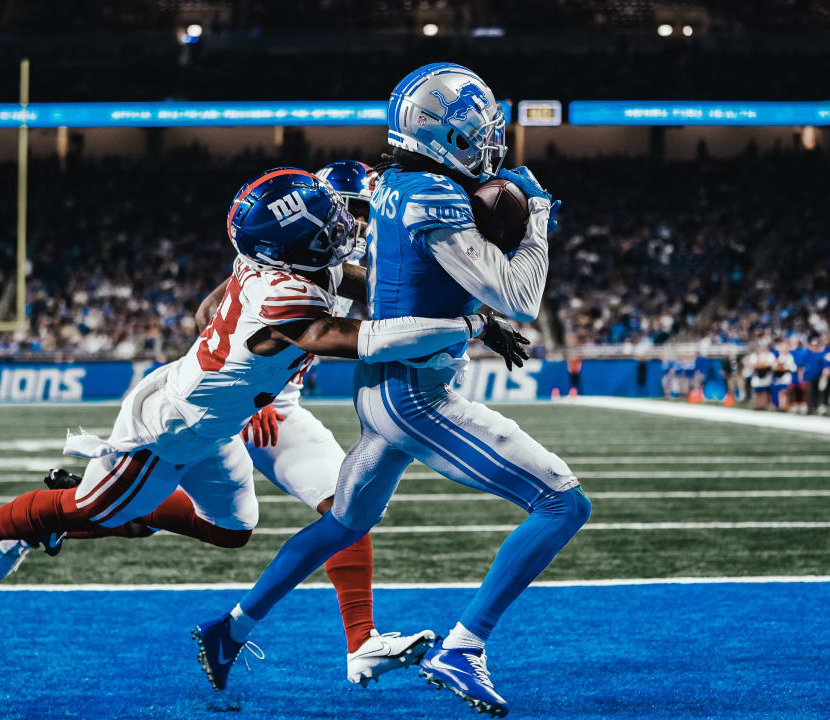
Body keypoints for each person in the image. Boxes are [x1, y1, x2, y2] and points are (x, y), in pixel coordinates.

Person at [0, 166, 528, 685]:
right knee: (89, 510)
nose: (351, 230)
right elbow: (366, 338)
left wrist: (252, 379)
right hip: (172, 431)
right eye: (340, 221)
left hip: (243, 411)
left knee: (268, 522)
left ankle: (360, 641)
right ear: (296, 239)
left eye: (350, 217)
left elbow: (237, 306)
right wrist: (474, 325)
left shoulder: (290, 257)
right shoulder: (284, 291)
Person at [194, 63, 588, 718]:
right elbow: (521, 295)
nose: (489, 139)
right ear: (445, 134)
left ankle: (231, 628)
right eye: (475, 129)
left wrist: (477, 321)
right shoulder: (432, 194)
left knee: (343, 525)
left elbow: (403, 277)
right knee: (561, 503)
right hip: (414, 396)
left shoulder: (398, 184)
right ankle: (465, 647)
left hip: (383, 390)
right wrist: (539, 217)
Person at [802, 335, 829, 414]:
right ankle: (809, 407)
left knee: (817, 392)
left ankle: (816, 407)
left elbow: (825, 366)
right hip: (809, 376)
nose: (814, 347)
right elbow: (802, 365)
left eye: (815, 345)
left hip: (818, 376)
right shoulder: (807, 354)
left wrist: (823, 376)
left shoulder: (820, 354)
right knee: (810, 392)